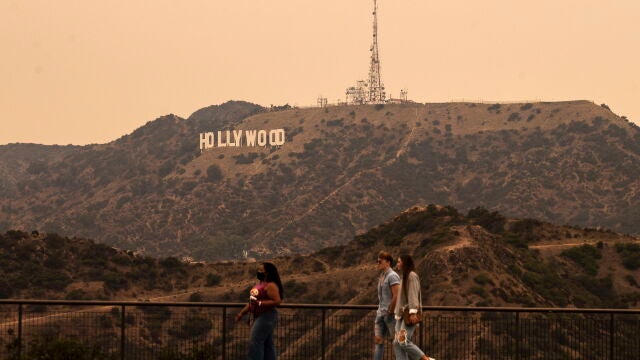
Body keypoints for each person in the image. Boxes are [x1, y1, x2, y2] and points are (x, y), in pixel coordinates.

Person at [236, 262, 284, 360]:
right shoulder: (260, 284)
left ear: (267, 273)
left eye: (261, 270)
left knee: (255, 342)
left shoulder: (271, 285)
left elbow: (277, 301)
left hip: (267, 316)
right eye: (258, 270)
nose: (258, 272)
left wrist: (260, 303)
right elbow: (252, 302)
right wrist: (242, 312)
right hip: (260, 316)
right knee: (267, 344)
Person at [393, 255, 435, 360]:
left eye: (399, 262)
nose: (397, 264)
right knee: (397, 343)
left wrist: (413, 312)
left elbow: (413, 294)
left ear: (404, 263)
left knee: (403, 341)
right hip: (402, 314)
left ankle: (425, 359)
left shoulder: (411, 276)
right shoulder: (404, 276)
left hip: (409, 314)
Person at [374, 251, 400, 360]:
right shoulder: (382, 275)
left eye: (380, 261)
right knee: (378, 341)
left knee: (397, 342)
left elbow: (396, 295)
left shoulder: (392, 276)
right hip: (380, 314)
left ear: (388, 262)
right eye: (377, 261)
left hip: (389, 315)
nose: (378, 263)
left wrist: (390, 311)